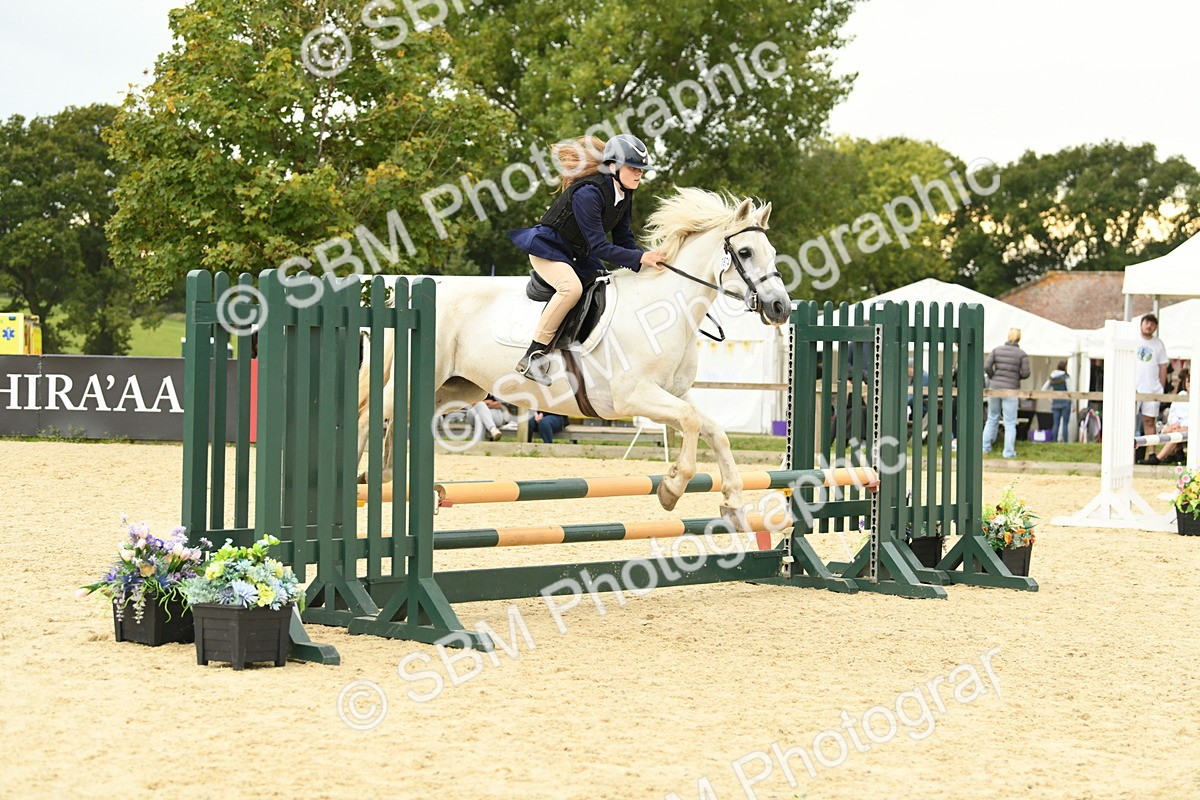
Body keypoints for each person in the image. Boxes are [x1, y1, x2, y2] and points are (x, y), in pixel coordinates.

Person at [507, 134, 667, 384]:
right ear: (614, 166)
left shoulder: (624, 192)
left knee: (607, 285)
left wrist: (649, 262)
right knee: (571, 289)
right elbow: (601, 246)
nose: (639, 174)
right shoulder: (589, 192)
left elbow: (624, 240)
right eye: (634, 168)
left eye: (641, 170)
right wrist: (640, 258)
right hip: (549, 248)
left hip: (578, 253)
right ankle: (534, 355)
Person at [982, 328, 1031, 459]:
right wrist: (1016, 377)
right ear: (1019, 338)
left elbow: (986, 366)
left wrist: (993, 377)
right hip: (1011, 390)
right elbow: (1026, 373)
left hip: (995, 388)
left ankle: (985, 447)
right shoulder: (1022, 354)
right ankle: (1008, 452)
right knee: (1010, 422)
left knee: (992, 418)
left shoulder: (996, 350)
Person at [1134, 313, 1169, 463]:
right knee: (1129, 420)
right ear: (1141, 324)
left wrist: (1161, 385)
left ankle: (1152, 453)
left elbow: (1163, 366)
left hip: (1152, 388)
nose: (1149, 326)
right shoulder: (1133, 341)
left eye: (1152, 324)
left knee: (1149, 421)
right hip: (1134, 387)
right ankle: (1129, 452)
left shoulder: (1158, 344)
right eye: (1147, 322)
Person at [1144, 369, 1189, 465]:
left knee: (1176, 432)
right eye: (1188, 381)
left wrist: (1181, 425)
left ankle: (1158, 458)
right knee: (1168, 429)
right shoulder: (1181, 395)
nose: (1189, 384)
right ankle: (1175, 454)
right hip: (1178, 425)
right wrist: (1174, 424)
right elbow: (1173, 411)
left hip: (1190, 426)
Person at [1041, 360, 1073, 443]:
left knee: (1056, 423)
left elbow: (1043, 389)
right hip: (1066, 402)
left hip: (1055, 402)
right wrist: (1073, 404)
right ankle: (1065, 442)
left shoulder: (1052, 377)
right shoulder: (1066, 377)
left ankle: (1054, 441)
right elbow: (1070, 391)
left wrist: (1051, 399)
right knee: (1065, 424)